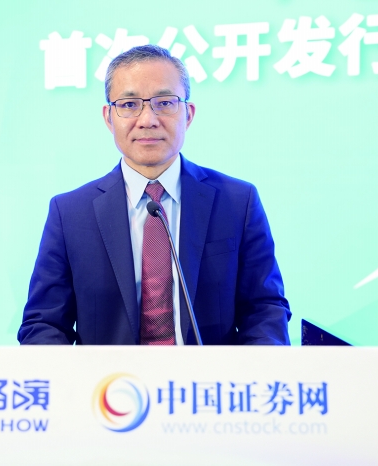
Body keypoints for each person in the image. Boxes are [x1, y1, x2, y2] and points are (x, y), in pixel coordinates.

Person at [18, 45, 290, 345]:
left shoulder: (238, 202)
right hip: (108, 376)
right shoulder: (70, 213)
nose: (148, 119)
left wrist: (252, 371)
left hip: (208, 375)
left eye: (164, 103)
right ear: (109, 117)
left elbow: (265, 310)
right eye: (129, 104)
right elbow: (44, 323)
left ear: (188, 114)